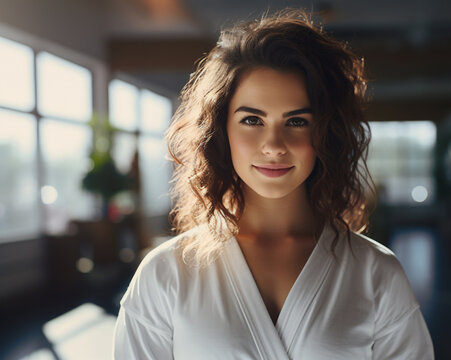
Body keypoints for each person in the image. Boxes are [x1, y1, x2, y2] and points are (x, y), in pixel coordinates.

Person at [113, 9, 434, 360]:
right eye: (252, 120)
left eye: (296, 121)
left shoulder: (376, 273)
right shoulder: (166, 274)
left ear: (325, 133)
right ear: (222, 131)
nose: (274, 145)